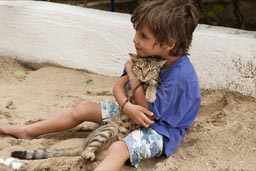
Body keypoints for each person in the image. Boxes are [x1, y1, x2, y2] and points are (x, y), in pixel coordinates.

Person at [0, 0, 201, 170]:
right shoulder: (149, 55)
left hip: (160, 129)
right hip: (132, 112)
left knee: (118, 149)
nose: (135, 40)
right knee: (83, 109)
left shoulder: (180, 77)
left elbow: (149, 113)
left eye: (143, 36)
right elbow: (117, 88)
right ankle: (27, 131)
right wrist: (126, 106)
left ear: (169, 44)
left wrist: (132, 78)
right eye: (137, 33)